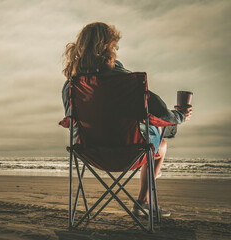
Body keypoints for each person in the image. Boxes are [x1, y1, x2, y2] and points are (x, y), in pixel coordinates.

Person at [61, 22, 192, 217]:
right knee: (161, 143)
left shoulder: (71, 86)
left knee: (155, 133)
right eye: (114, 45)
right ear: (108, 47)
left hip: (90, 152)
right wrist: (180, 115)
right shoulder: (127, 80)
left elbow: (72, 120)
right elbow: (161, 113)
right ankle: (142, 202)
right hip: (131, 152)